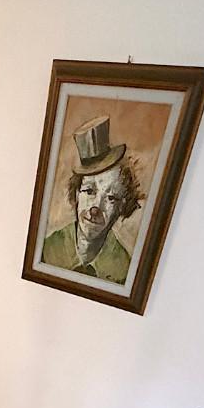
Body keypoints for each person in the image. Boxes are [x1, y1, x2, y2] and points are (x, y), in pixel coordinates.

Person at [41, 116, 144, 283]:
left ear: (122, 207)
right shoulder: (47, 249)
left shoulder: (123, 271)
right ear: (76, 194)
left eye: (111, 198)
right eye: (89, 191)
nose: (95, 209)